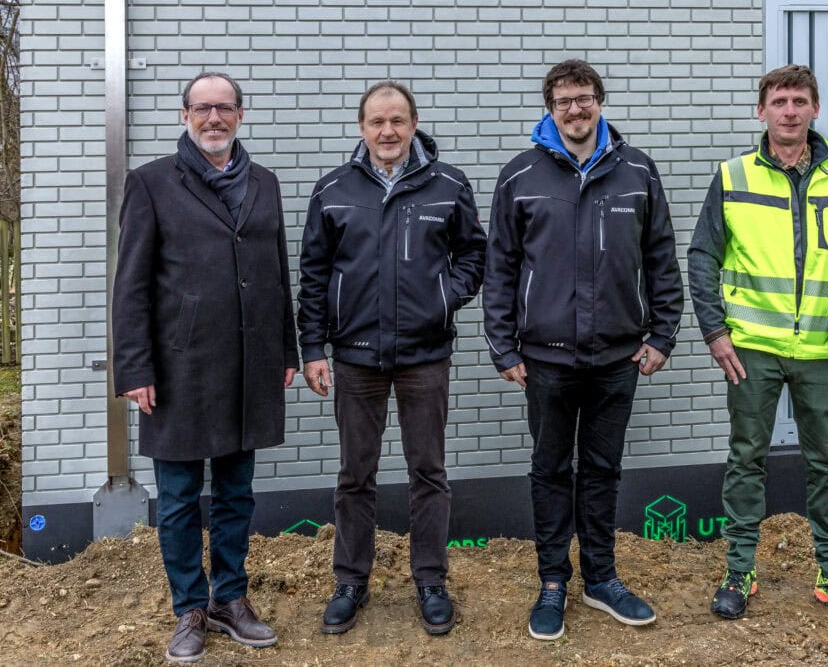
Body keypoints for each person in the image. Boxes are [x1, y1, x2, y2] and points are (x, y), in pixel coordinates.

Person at [687, 64, 828, 634]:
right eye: (778, 101)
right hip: (751, 348)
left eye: (799, 101)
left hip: (825, 351)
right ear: (761, 111)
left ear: (815, 110)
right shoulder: (732, 177)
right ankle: (738, 573)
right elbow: (702, 257)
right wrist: (714, 330)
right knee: (745, 459)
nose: (788, 110)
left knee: (826, 463)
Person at [483, 59, 684, 640]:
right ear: (549, 107)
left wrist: (662, 335)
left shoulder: (637, 171)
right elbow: (500, 266)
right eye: (564, 100)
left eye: (585, 97)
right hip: (544, 359)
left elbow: (661, 261)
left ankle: (601, 577)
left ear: (600, 101)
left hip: (617, 358)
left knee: (602, 470)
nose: (576, 108)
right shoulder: (520, 175)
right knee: (550, 470)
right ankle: (552, 582)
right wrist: (503, 346)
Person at [112, 72, 298, 662]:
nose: (213, 118)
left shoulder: (264, 183)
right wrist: (135, 366)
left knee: (236, 493)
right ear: (185, 115)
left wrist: (287, 350)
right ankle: (190, 608)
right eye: (202, 108)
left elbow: (276, 274)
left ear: (240, 115)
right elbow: (130, 286)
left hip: (249, 363)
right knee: (178, 498)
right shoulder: (150, 183)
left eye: (224, 108)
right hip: (178, 369)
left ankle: (231, 599)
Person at [298, 80, 486, 636]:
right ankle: (351, 580)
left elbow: (475, 253)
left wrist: (443, 297)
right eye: (377, 122)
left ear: (413, 124)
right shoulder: (332, 189)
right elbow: (313, 276)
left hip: (425, 355)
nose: (387, 132)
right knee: (356, 475)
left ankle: (430, 579)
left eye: (398, 121)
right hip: (354, 357)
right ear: (361, 128)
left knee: (428, 472)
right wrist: (313, 347)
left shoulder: (448, 184)